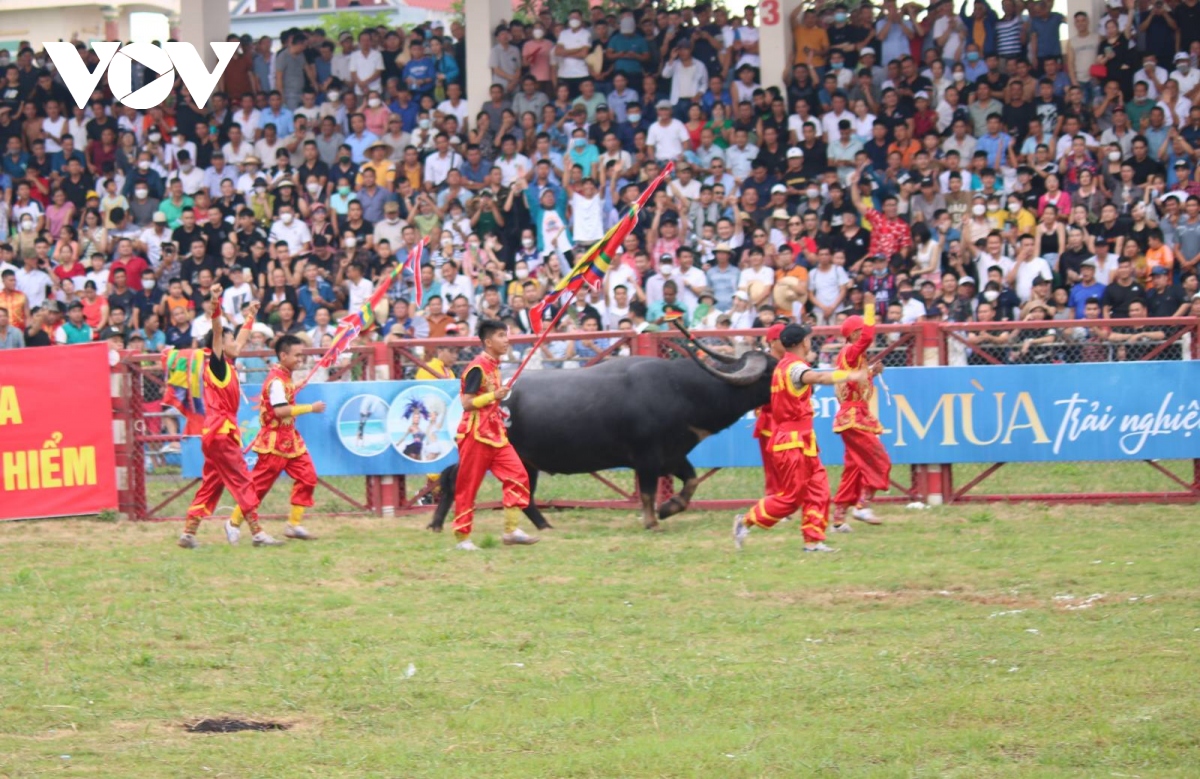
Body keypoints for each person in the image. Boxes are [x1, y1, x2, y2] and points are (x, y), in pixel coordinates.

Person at [732, 323, 869, 553]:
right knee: (791, 497)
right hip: (790, 441)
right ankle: (745, 521)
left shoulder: (786, 365)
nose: (809, 341)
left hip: (804, 439)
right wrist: (851, 375)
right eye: (808, 338)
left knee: (819, 489)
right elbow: (818, 377)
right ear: (801, 343)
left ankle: (813, 541)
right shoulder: (794, 369)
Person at [179, 292, 282, 549]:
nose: (236, 342)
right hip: (222, 432)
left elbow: (241, 338)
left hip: (214, 433)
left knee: (213, 482)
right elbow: (216, 332)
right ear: (221, 345)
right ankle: (257, 532)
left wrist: (250, 317)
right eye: (229, 339)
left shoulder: (228, 363)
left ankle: (188, 533)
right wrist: (216, 309)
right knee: (243, 480)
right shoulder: (217, 364)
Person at [225, 334, 326, 544]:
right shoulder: (277, 380)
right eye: (297, 355)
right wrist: (311, 408)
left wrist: (296, 386)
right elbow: (280, 410)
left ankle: (294, 524)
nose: (300, 359)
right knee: (258, 488)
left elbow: (283, 398)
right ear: (283, 355)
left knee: (308, 476)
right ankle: (233, 522)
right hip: (274, 441)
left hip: (291, 439)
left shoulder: (284, 377)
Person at [450, 319, 538, 551]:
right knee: (468, 486)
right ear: (488, 342)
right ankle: (463, 538)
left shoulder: (495, 366)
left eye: (506, 334)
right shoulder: (477, 367)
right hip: (475, 434)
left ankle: (511, 530)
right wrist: (493, 396)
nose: (506, 339)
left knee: (518, 475)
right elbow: (467, 403)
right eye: (500, 335)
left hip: (496, 434)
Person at [830, 300, 890, 530]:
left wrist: (872, 371)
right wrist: (870, 310)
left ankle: (838, 519)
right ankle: (863, 506)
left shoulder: (851, 357)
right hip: (855, 418)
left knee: (854, 468)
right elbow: (868, 338)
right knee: (879, 460)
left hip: (851, 417)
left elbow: (856, 382)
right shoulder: (852, 351)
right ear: (855, 333)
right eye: (861, 330)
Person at [752, 323, 786, 496]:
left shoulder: (790, 362)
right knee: (773, 463)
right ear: (772, 342)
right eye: (782, 339)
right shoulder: (764, 364)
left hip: (788, 420)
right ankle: (774, 499)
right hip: (771, 419)